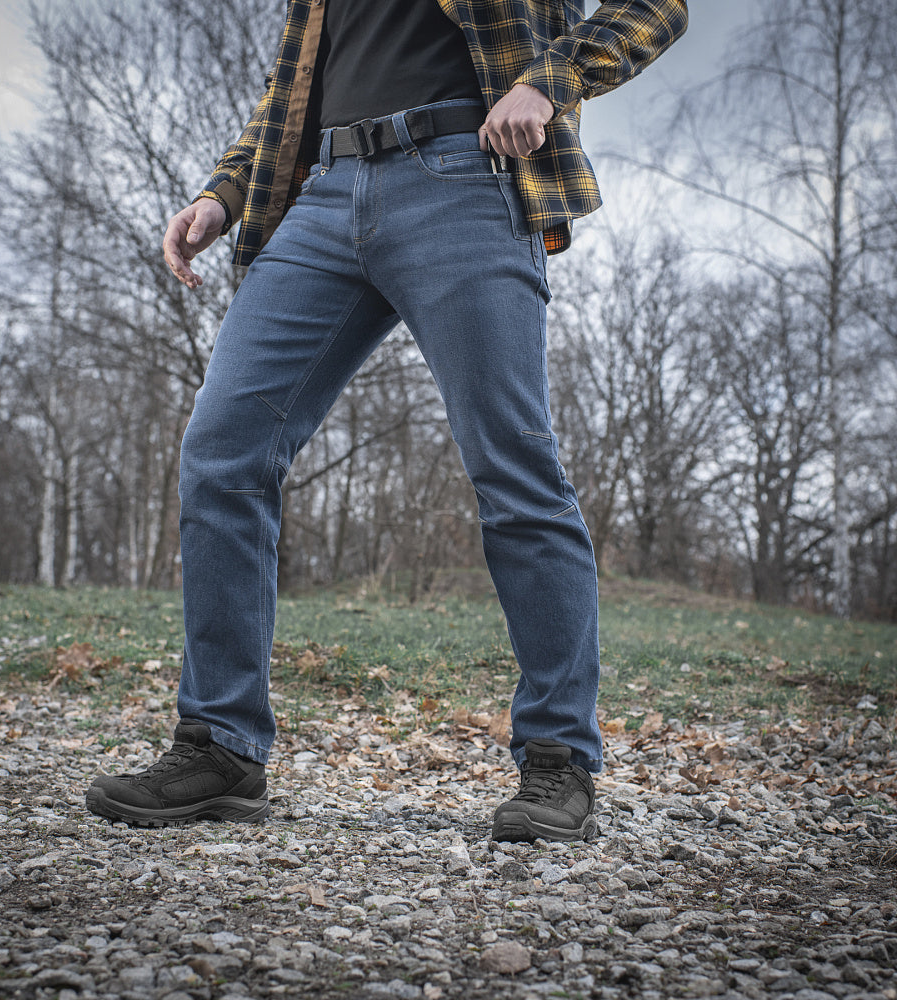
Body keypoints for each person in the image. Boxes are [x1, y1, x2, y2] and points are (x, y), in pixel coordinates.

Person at [86, 0, 688, 841]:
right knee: (222, 451)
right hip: (324, 194)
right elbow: (294, 89)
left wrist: (547, 82)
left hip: (465, 173)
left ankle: (559, 758)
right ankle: (221, 747)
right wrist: (225, 192)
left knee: (512, 465)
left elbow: (658, 6)